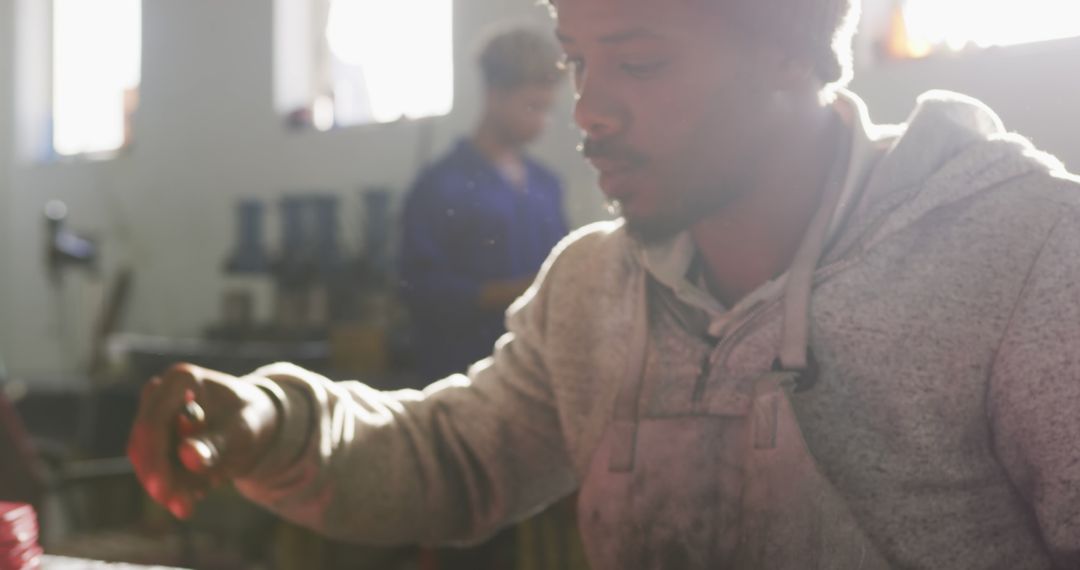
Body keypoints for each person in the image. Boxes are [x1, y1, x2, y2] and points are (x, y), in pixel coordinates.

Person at [129, 0, 1080, 567]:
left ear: (792, 43)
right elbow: (457, 453)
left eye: (639, 61)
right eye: (579, 62)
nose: (588, 110)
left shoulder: (1022, 258)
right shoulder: (594, 286)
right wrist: (274, 420)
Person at [399, 27, 570, 381]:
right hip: (464, 376)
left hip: (538, 376)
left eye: (547, 109)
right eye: (531, 106)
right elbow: (420, 289)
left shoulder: (546, 185)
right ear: (495, 96)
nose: (542, 121)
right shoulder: (440, 186)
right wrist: (519, 292)